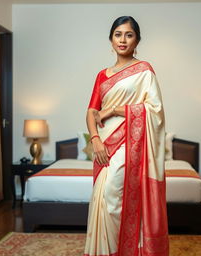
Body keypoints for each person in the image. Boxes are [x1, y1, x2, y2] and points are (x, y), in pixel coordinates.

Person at [83, 16, 169, 256]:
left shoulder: (144, 71)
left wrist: (115, 109)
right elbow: (91, 112)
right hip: (104, 145)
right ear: (111, 39)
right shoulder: (102, 75)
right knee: (101, 200)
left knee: (113, 196)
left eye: (128, 35)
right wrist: (95, 140)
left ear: (137, 40)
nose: (123, 39)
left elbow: (155, 111)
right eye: (118, 34)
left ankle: (124, 250)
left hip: (131, 146)